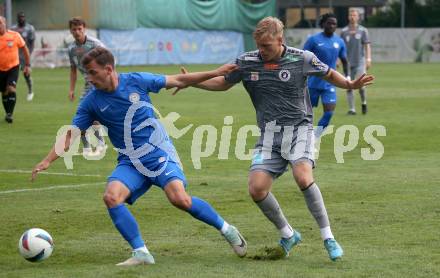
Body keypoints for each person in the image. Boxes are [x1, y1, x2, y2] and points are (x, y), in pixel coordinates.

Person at [175, 17, 374, 261]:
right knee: (256, 189)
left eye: (267, 46)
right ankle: (288, 234)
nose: (262, 51)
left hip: (299, 130)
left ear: (280, 40)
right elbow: (222, 82)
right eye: (259, 45)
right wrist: (193, 83)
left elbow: (329, 73)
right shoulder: (247, 62)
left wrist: (350, 84)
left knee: (302, 176)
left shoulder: (301, 58)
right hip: (269, 135)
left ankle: (328, 236)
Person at [31, 47, 247, 266]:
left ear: (108, 69)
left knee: (179, 199)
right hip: (130, 161)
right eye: (86, 73)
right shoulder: (91, 102)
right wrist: (47, 160)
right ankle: (141, 252)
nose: (88, 78)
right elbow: (72, 134)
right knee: (111, 197)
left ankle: (227, 229)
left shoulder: (136, 81)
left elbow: (178, 79)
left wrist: (215, 72)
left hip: (158, 152)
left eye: (92, 72)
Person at [304, 13, 349, 138]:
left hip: (330, 82)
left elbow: (344, 61)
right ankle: (301, 136)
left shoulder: (339, 41)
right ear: (323, 24)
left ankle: (314, 138)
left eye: (334, 23)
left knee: (329, 113)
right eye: (329, 23)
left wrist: (348, 78)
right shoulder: (313, 40)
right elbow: (303, 58)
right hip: (312, 82)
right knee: (305, 114)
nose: (331, 25)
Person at [67, 17, 106, 156]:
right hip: (88, 83)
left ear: (84, 29)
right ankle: (89, 147)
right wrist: (71, 89)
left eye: (79, 29)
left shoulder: (95, 44)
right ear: (70, 31)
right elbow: (73, 69)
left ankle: (98, 145)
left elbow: (109, 60)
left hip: (100, 82)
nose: (77, 32)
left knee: (86, 113)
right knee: (85, 114)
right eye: (74, 29)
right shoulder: (71, 48)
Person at [0, 16, 31, 124]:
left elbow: (24, 48)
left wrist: (27, 65)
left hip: (13, 67)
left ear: (5, 24)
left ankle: (10, 114)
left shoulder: (14, 35)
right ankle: (7, 112)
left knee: (11, 89)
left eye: (0, 23)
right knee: (4, 92)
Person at [340, 8, 372, 115]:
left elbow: (367, 45)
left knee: (361, 86)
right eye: (351, 15)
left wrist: (368, 59)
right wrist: (338, 60)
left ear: (358, 17)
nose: (352, 17)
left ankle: (364, 102)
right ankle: (352, 109)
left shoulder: (363, 31)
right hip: (347, 64)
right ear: (348, 17)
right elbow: (340, 48)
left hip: (360, 62)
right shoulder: (344, 32)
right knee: (348, 85)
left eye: (354, 15)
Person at [11, 11, 35, 101]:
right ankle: (11, 91)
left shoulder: (29, 28)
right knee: (12, 74)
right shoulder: (13, 29)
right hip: (14, 56)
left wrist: (29, 54)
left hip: (24, 56)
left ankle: (30, 91)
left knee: (26, 75)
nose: (22, 19)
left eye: (23, 17)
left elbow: (32, 43)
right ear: (17, 18)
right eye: (20, 17)